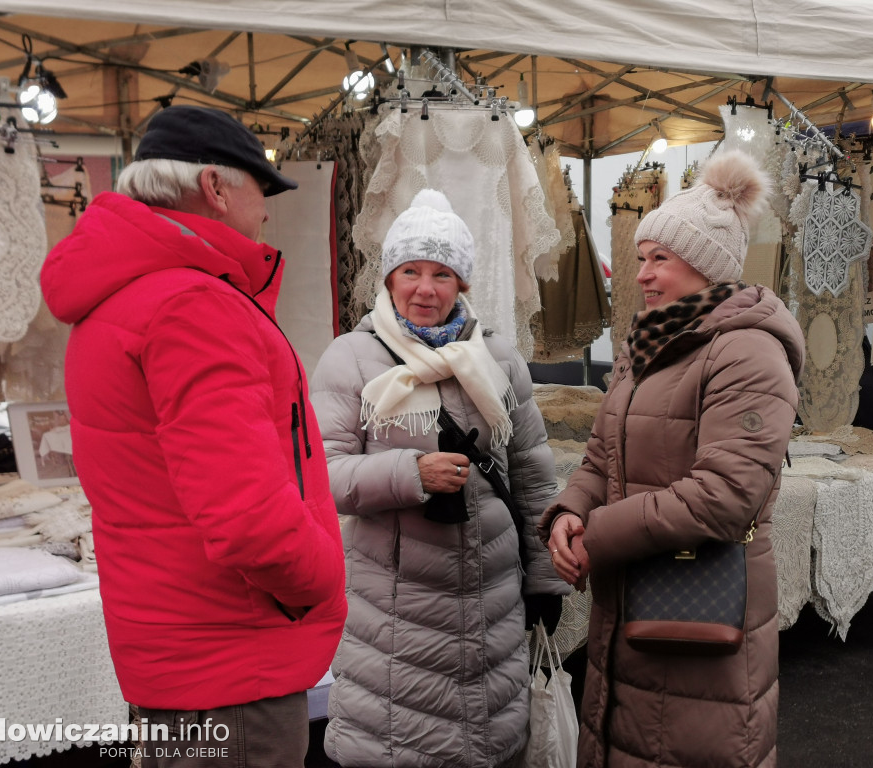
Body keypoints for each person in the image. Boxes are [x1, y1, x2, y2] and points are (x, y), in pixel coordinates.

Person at [39, 105, 348, 768]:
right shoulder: (191, 304)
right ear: (215, 187)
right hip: (233, 663)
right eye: (258, 189)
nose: (264, 211)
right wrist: (324, 573)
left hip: (185, 653)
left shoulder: (124, 294)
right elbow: (248, 517)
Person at [541, 150, 804, 768]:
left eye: (661, 258)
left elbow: (724, 495)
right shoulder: (648, 345)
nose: (644, 275)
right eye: (641, 258)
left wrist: (598, 534)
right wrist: (568, 513)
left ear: (706, 266)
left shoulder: (748, 353)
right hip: (631, 603)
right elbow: (603, 453)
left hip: (697, 615)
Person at [310, 188, 570, 767]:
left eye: (442, 274)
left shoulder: (499, 358)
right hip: (397, 619)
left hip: (492, 611)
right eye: (411, 271)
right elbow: (321, 477)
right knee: (401, 749)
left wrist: (545, 579)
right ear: (389, 278)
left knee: (488, 744)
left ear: (463, 285)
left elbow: (532, 474)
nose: (425, 289)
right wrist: (410, 472)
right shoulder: (351, 359)